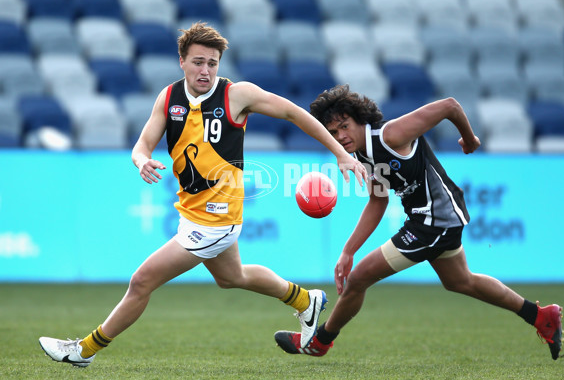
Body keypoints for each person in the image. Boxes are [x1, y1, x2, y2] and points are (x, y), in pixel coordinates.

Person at [38, 23, 367, 368]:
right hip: (192, 213)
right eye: (198, 62)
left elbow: (293, 113)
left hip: (217, 219)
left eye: (212, 63)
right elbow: (142, 145)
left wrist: (340, 153)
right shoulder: (168, 98)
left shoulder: (237, 95)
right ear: (181, 61)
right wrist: (141, 160)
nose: (205, 71)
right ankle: (306, 301)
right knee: (232, 277)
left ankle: (83, 351)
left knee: (141, 281)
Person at [274, 84, 563, 360]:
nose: (341, 136)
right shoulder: (362, 155)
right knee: (461, 281)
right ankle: (540, 317)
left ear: (360, 119)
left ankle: (320, 341)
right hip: (431, 219)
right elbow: (378, 201)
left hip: (436, 220)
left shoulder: (391, 135)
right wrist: (348, 250)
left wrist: (469, 138)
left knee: (360, 278)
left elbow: (450, 106)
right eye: (333, 132)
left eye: (344, 126)